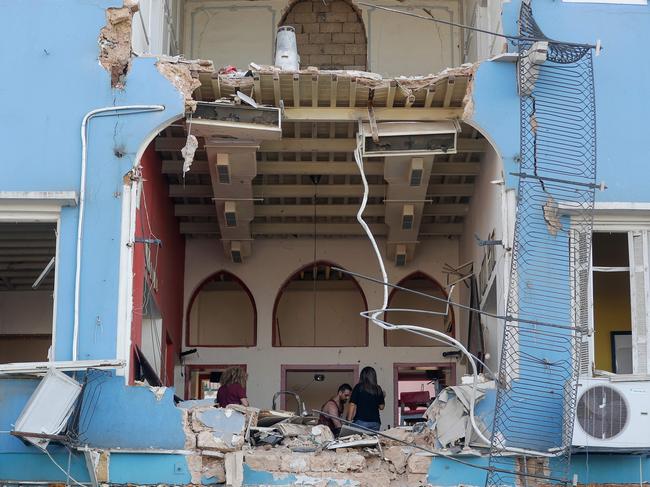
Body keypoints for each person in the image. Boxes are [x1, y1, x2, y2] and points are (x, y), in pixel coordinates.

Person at [347, 366, 385, 432]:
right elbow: (381, 407)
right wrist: (382, 396)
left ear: (362, 376)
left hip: (361, 422)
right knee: (372, 441)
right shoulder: (378, 388)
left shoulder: (359, 387)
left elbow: (352, 404)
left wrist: (349, 421)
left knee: (358, 441)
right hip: (375, 423)